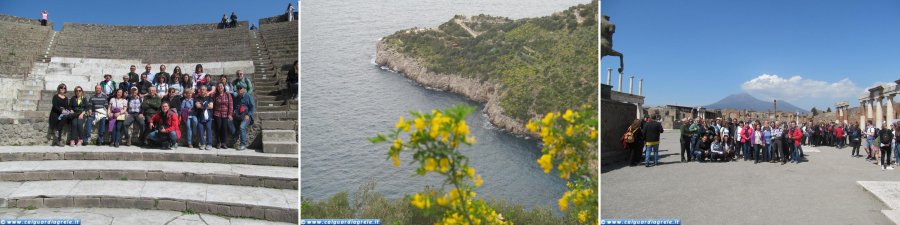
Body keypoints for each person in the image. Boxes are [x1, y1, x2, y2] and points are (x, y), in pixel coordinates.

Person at [232, 85, 255, 150]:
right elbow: (235, 106)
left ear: (244, 89)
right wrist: (233, 112)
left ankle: (243, 144)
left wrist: (248, 115)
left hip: (246, 116)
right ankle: (236, 135)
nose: (239, 90)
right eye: (238, 89)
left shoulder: (248, 96)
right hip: (238, 116)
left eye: (240, 88)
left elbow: (252, 107)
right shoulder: (236, 97)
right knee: (229, 121)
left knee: (242, 127)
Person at [213, 83, 234, 149]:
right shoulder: (215, 95)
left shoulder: (228, 95)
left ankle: (224, 143)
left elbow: (230, 105)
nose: (220, 87)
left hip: (225, 114)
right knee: (218, 128)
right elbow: (213, 105)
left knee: (224, 128)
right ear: (217, 88)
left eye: (221, 86)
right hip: (217, 114)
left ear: (223, 87)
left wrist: (230, 114)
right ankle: (218, 142)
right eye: (218, 86)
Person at [195, 85, 214, 150]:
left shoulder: (209, 98)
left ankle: (209, 144)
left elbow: (211, 106)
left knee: (209, 129)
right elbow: (197, 105)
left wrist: (202, 105)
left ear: (206, 90)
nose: (202, 91)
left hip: (208, 117)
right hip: (200, 117)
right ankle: (202, 144)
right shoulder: (197, 98)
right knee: (200, 130)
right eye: (201, 89)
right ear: (199, 91)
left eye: (204, 89)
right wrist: (206, 105)